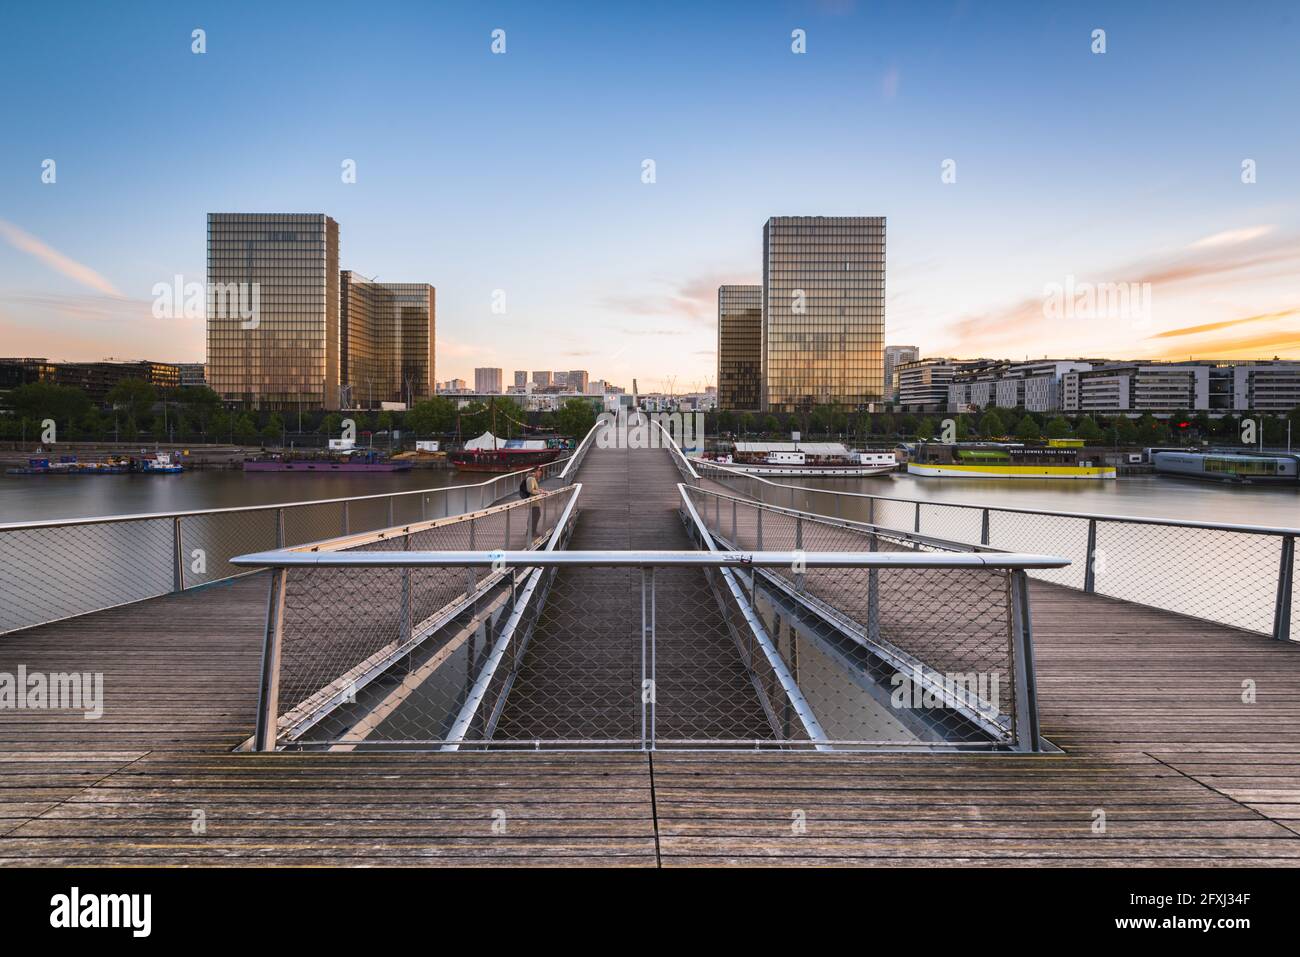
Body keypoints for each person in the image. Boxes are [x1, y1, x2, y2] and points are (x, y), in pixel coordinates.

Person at [523, 466, 543, 538]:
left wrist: (540, 490)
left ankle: (531, 531)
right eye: (539, 471)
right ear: (535, 471)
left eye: (541, 471)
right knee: (536, 515)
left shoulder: (532, 478)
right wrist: (539, 492)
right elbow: (530, 490)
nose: (540, 473)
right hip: (533, 501)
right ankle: (531, 532)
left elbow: (533, 489)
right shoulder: (531, 478)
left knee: (534, 515)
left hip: (535, 500)